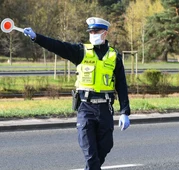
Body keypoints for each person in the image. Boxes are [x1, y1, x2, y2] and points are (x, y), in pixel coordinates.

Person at [23, 17, 131, 170]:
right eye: (91, 31)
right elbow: (58, 46)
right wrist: (36, 37)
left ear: (105, 33)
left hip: (105, 108)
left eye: (96, 31)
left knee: (106, 146)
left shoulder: (114, 56)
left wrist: (125, 112)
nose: (92, 34)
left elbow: (121, 84)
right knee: (90, 153)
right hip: (86, 108)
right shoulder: (81, 51)